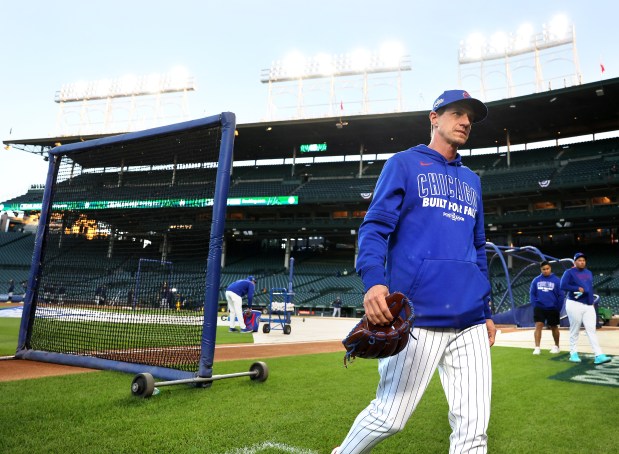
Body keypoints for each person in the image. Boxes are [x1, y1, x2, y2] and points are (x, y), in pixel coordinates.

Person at [333, 90, 496, 454]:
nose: (466, 122)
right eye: (457, 113)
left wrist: (485, 312)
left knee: (473, 429)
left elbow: (478, 246)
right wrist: (374, 281)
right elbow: (375, 228)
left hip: (469, 319)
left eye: (470, 118)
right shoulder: (404, 164)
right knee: (390, 416)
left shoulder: (473, 180)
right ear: (434, 117)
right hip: (418, 314)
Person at [560, 253, 611, 365]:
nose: (582, 262)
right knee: (575, 329)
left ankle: (598, 355)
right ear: (575, 262)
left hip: (588, 305)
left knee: (591, 330)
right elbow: (562, 286)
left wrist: (591, 302)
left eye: (583, 260)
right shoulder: (569, 272)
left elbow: (589, 288)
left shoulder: (589, 273)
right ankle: (573, 354)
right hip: (574, 303)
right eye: (579, 260)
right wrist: (576, 288)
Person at [529, 261, 564, 355]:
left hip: (553, 308)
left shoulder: (556, 280)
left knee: (554, 327)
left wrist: (558, 307)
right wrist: (535, 305)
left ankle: (556, 346)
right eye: (543, 269)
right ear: (541, 270)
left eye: (547, 269)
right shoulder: (536, 280)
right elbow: (532, 294)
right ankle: (537, 348)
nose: (545, 271)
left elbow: (561, 295)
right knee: (538, 326)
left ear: (550, 268)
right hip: (539, 307)